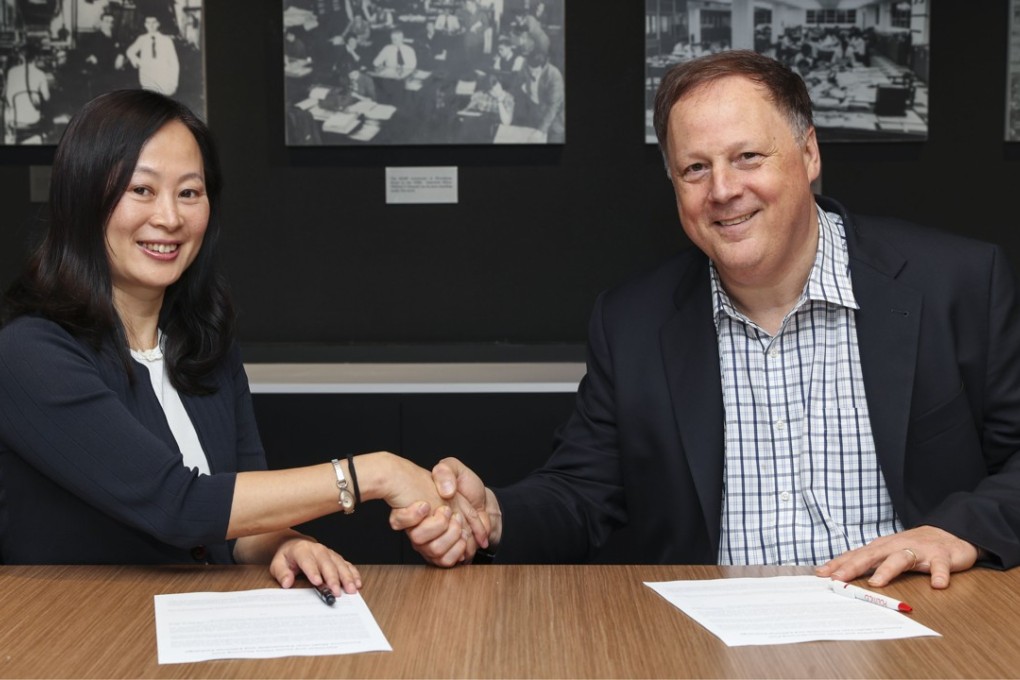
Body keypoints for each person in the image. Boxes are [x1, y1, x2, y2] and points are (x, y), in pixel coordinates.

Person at [395, 50, 1020, 589]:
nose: (722, 190)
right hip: (710, 641)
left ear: (808, 154)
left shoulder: (956, 284)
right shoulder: (633, 323)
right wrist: (494, 517)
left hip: (919, 618)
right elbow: (582, 493)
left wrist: (956, 530)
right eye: (695, 168)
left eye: (747, 156)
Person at [0, 90, 476, 592]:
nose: (170, 218)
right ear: (82, 198)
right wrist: (376, 474)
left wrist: (284, 543)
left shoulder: (204, 342)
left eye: (190, 192)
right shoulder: (28, 354)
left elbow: (240, 519)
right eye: (141, 189)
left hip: (195, 620)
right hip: (76, 627)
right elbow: (178, 505)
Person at [515, 50, 563, 143]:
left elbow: (553, 106)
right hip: (534, 114)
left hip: (554, 120)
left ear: (544, 66)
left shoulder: (554, 75)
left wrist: (541, 130)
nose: (533, 74)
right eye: (531, 70)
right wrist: (523, 87)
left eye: (536, 71)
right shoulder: (526, 65)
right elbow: (519, 81)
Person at [125, 15, 180, 96]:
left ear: (158, 24)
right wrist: (138, 62)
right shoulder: (142, 39)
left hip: (163, 77)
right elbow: (129, 51)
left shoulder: (166, 40)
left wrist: (174, 82)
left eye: (154, 22)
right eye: (148, 23)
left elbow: (174, 62)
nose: (151, 25)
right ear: (145, 25)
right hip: (147, 77)